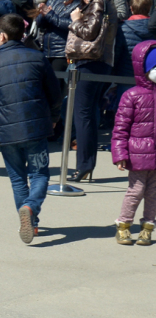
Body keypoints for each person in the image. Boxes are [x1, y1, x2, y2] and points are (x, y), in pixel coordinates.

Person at [0, 13, 61, 243]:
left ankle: (29, 218)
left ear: (2, 35)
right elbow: (54, 93)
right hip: (37, 128)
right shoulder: (38, 58)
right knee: (39, 174)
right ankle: (31, 210)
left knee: (18, 179)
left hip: (7, 131)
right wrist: (53, 118)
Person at [65, 0, 118, 183]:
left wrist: (76, 20)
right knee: (87, 114)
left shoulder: (98, 3)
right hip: (95, 62)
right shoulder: (99, 3)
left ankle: (84, 165)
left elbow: (89, 32)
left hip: (91, 61)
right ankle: (86, 165)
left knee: (83, 114)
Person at [111, 40, 156, 246]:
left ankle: (148, 227)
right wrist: (120, 155)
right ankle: (124, 225)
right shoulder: (132, 96)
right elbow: (120, 128)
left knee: (153, 194)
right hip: (138, 156)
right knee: (136, 191)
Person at [114, 0, 151, 101]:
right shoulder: (153, 30)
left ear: (131, 8)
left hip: (126, 76)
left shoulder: (123, 28)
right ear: (149, 8)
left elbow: (117, 54)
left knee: (124, 112)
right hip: (149, 78)